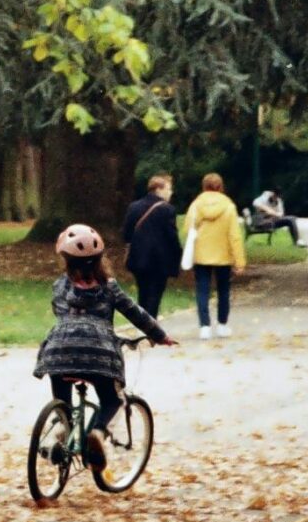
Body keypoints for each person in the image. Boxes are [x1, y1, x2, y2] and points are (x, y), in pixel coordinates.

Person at [34, 224, 174, 483]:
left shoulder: (60, 286)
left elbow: (59, 311)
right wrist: (159, 335)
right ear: (100, 259)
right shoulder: (109, 287)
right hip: (99, 353)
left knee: (62, 393)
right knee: (111, 400)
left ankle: (62, 425)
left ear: (64, 259)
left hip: (59, 351)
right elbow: (135, 312)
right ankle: (97, 433)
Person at [182, 172, 247, 338]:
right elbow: (235, 235)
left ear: (204, 186)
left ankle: (204, 326)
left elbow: (187, 228)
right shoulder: (229, 206)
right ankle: (222, 324)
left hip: (201, 254)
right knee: (223, 290)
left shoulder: (196, 205)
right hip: (223, 255)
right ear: (221, 187)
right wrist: (239, 261)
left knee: (202, 290)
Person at [121, 173, 181, 317]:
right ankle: (151, 328)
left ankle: (143, 324)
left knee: (143, 292)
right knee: (155, 294)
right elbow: (171, 236)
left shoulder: (134, 207)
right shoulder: (167, 209)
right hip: (159, 260)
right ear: (158, 189)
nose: (171, 192)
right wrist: (178, 254)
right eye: (169, 188)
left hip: (138, 258)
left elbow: (126, 233)